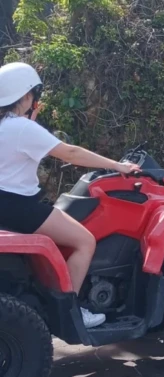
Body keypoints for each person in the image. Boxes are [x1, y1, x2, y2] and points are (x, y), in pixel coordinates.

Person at [0, 62, 141, 328]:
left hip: (6, 204)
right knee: (84, 241)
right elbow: (71, 153)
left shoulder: (6, 126)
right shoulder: (20, 128)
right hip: (18, 206)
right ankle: (72, 311)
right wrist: (118, 166)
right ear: (28, 96)